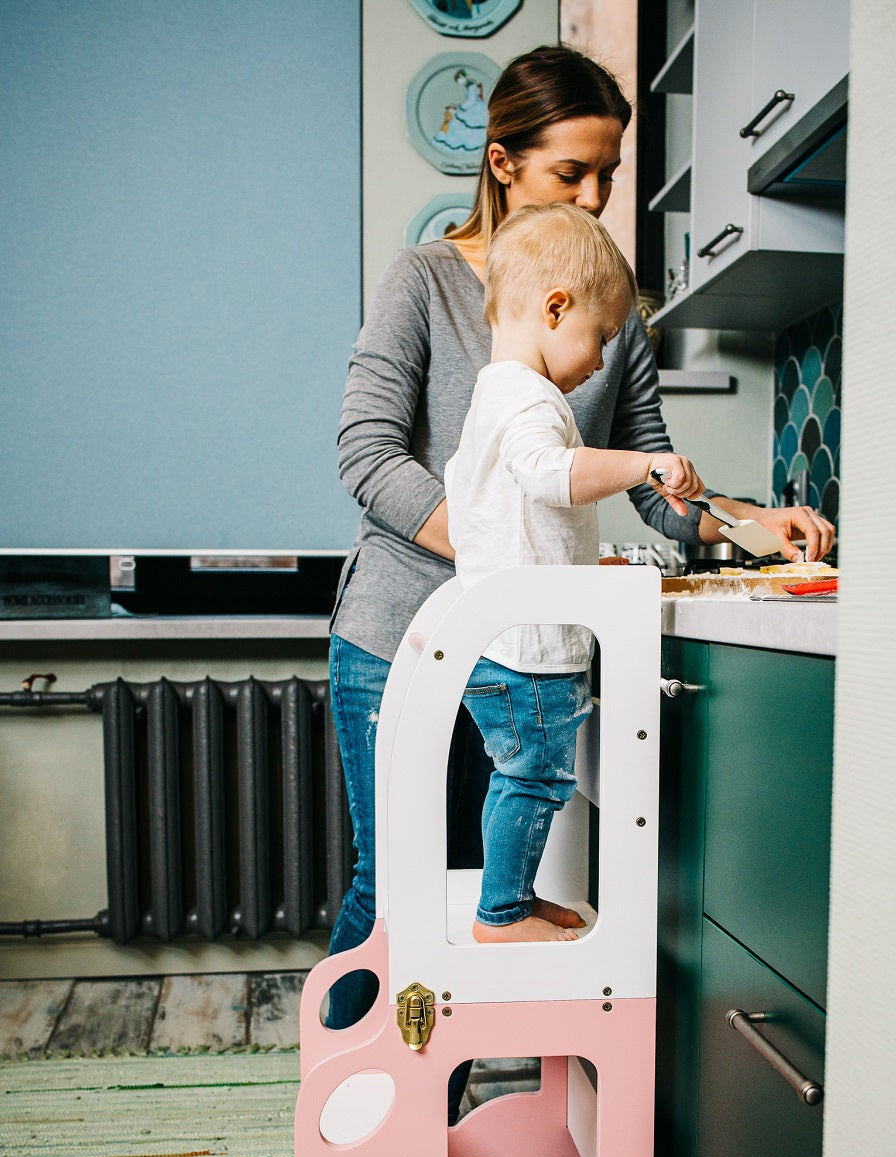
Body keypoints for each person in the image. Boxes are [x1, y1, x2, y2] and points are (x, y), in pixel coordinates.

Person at [328, 46, 835, 1084]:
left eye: (610, 172)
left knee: (489, 893)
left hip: (523, 647)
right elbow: (368, 456)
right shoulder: (424, 281)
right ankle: (349, 1115)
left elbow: (647, 478)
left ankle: (442, 1130)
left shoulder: (609, 304)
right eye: (574, 174)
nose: (601, 197)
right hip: (402, 636)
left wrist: (743, 522)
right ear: (506, 163)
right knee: (398, 889)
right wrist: (498, 562)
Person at [446, 201, 703, 943]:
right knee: (536, 777)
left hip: (503, 640)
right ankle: (500, 914)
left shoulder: (493, 395)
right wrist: (645, 462)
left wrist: (578, 558)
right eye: (598, 336)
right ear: (554, 307)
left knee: (525, 775)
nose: (598, 361)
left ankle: (512, 900)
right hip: (528, 649)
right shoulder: (527, 398)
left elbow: (492, 510)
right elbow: (546, 475)